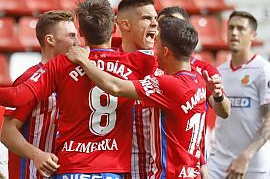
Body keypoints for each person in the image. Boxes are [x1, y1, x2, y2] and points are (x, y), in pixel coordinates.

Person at [0, 0, 156, 179]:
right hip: (112, 168)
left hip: (71, 167)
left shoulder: (62, 65)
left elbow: (17, 96)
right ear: (114, 28)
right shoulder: (139, 62)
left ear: (81, 32)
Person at [66, 16, 219, 178]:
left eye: (157, 46)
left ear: (166, 51)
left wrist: (84, 61)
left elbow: (115, 87)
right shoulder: (199, 80)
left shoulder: (170, 85)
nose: (154, 51)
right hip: (191, 173)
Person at [0, 10, 80, 178]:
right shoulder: (29, 79)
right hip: (30, 173)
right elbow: (6, 132)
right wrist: (36, 154)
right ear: (50, 40)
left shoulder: (72, 79)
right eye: (71, 36)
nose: (77, 42)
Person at [208, 11, 270, 179]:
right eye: (230, 28)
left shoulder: (263, 70)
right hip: (219, 164)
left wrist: (246, 156)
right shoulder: (219, 71)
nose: (234, 33)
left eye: (240, 28)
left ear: (253, 35)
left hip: (253, 165)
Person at [115, 0, 158, 178]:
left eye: (155, 18)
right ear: (126, 25)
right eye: (147, 18)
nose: (155, 23)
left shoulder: (167, 65)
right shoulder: (107, 66)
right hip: (117, 169)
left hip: (157, 170)